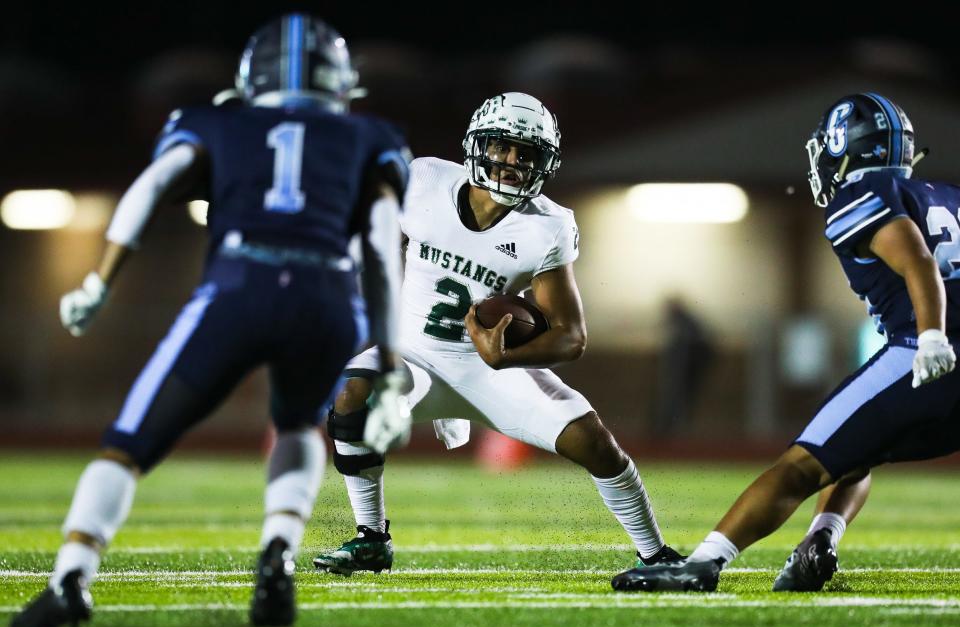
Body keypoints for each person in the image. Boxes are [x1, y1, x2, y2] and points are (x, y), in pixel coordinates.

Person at [10, 13, 411, 627]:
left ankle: (71, 577)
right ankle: (278, 549)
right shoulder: (369, 137)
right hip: (327, 297)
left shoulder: (216, 120)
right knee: (300, 425)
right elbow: (383, 247)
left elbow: (151, 186)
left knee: (126, 446)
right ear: (340, 81)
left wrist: (100, 280)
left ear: (254, 76)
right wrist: (386, 365)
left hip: (239, 286)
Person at [312, 92, 681, 577]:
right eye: (502, 147)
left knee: (593, 442)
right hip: (413, 358)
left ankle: (656, 556)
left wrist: (504, 355)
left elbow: (571, 337)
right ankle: (370, 538)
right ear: (476, 146)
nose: (511, 162)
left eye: (525, 153)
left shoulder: (547, 225)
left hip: (490, 368)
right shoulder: (424, 181)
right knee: (349, 394)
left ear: (543, 163)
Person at [611, 92, 959, 593]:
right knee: (856, 452)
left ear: (845, 147)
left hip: (924, 352)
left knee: (801, 464)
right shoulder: (947, 195)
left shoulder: (860, 195)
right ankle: (821, 538)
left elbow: (917, 260)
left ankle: (702, 564)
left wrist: (929, 336)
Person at [653, 296, 715, 435]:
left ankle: (671, 429)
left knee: (677, 398)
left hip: (689, 367)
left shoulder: (685, 322)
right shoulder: (685, 321)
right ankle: (669, 428)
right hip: (687, 366)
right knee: (677, 398)